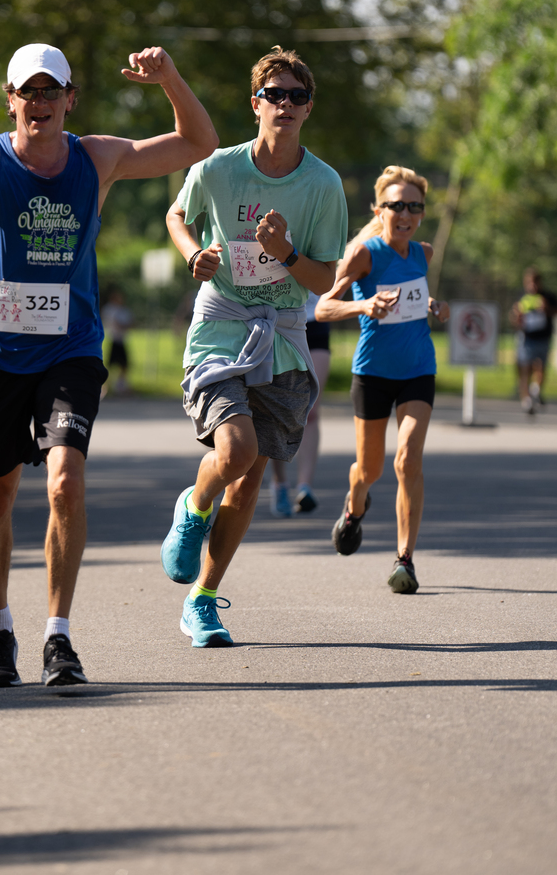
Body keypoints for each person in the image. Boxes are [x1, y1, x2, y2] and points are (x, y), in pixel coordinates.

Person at [0, 42, 218, 686]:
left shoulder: (96, 157)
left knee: (63, 483)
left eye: (53, 92)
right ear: (11, 98)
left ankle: (59, 637)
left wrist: (169, 78)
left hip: (71, 349)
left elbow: (196, 142)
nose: (41, 103)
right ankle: (0, 628)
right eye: (30, 91)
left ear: (70, 99)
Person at [160, 47, 348, 646]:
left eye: (297, 96)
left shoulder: (322, 184)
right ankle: (194, 505)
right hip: (221, 324)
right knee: (235, 450)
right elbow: (176, 213)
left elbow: (325, 282)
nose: (285, 105)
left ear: (308, 108)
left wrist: (286, 252)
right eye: (275, 95)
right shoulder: (217, 168)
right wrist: (195, 253)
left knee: (250, 476)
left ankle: (203, 600)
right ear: (256, 104)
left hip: (285, 333)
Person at [315, 165, 450, 595]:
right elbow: (322, 309)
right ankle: (355, 507)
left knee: (408, 458)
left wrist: (434, 306)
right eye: (396, 205)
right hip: (372, 371)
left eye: (414, 206)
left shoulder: (423, 253)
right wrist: (364, 305)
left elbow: (415, 296)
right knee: (369, 469)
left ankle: (404, 560)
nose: (405, 213)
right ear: (380, 209)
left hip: (418, 368)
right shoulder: (364, 254)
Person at [268, 292, 330, 516]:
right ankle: (280, 482)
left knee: (311, 410)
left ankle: (305, 487)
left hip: (315, 321)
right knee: (278, 410)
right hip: (279, 321)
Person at [512, 267, 557, 414]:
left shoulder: (548, 296)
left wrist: (547, 309)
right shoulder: (522, 297)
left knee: (541, 367)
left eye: (535, 282)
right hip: (526, 338)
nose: (532, 285)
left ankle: (536, 390)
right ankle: (526, 401)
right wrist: (517, 316)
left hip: (544, 338)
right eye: (529, 282)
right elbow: (514, 318)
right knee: (525, 368)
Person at [101, 286, 134, 395]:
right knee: (110, 364)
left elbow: (129, 323)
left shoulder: (122, 310)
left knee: (124, 364)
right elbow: (115, 324)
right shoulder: (110, 309)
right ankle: (106, 385)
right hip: (113, 339)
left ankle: (120, 385)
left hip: (121, 339)